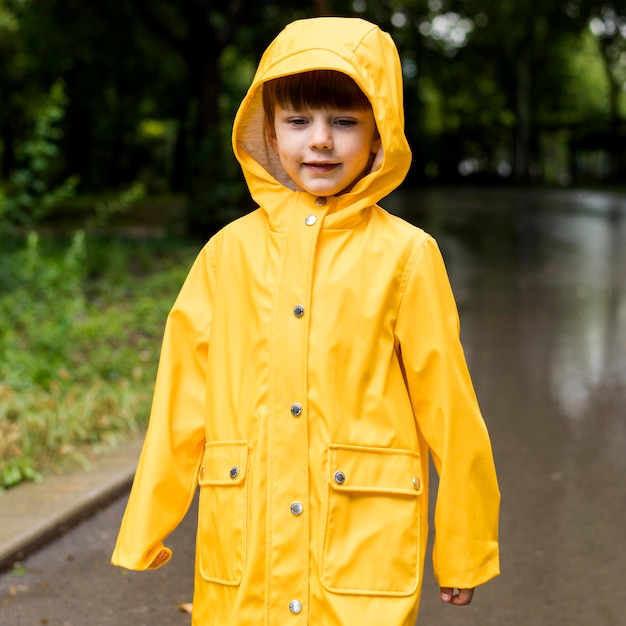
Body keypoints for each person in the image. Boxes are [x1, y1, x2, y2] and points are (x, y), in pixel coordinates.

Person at [111, 16, 500, 625]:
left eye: (344, 122)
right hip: (248, 546)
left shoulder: (406, 256)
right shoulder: (227, 254)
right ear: (269, 130)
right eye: (299, 121)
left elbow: (448, 407)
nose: (320, 140)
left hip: (360, 541)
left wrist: (465, 547)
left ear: (380, 133)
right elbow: (180, 398)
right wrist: (146, 526)